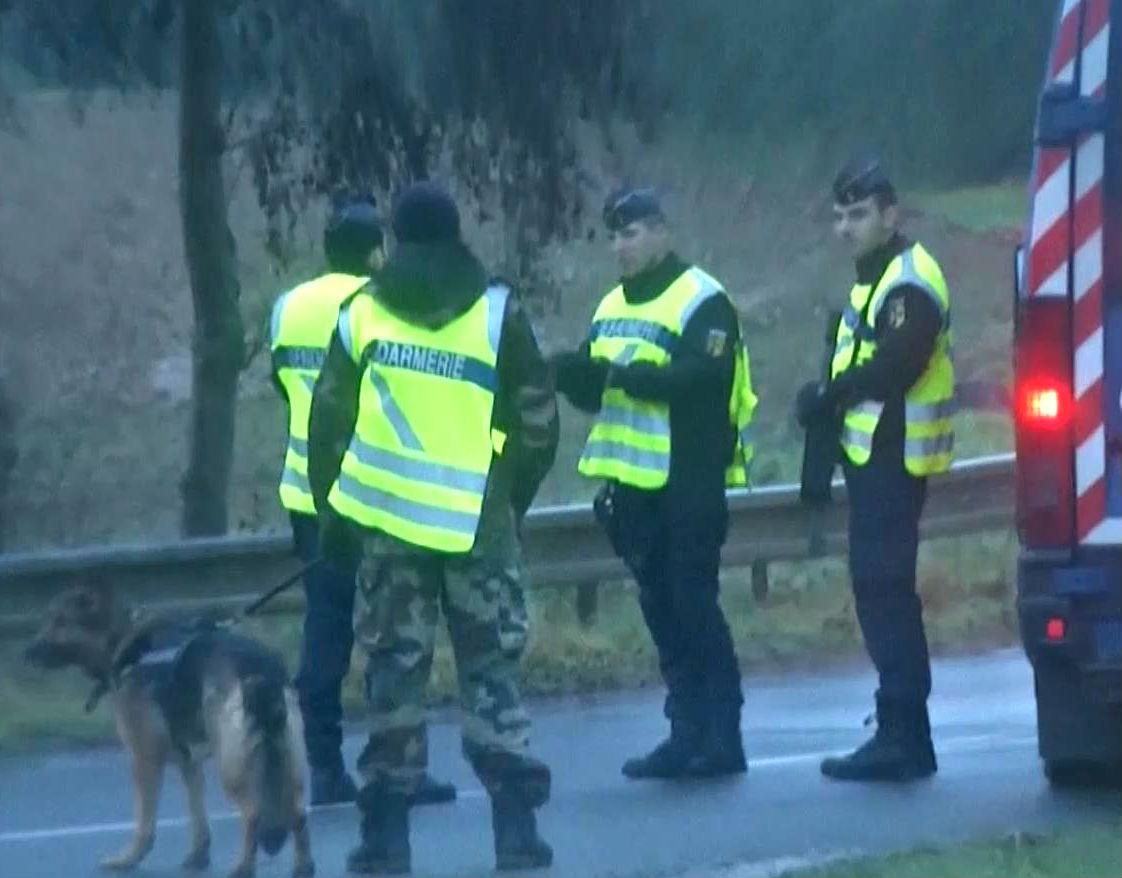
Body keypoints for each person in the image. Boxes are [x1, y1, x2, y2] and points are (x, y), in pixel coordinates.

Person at [307, 181, 559, 874]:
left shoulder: (362, 313)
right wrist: (507, 495)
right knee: (492, 677)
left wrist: (335, 513)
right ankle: (515, 834)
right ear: (456, 237)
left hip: (389, 530)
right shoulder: (498, 313)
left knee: (393, 676)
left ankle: (385, 840)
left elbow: (327, 424)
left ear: (393, 240)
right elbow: (539, 424)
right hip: (479, 528)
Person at [552, 186, 757, 780]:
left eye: (633, 232)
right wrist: (574, 375)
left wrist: (626, 375)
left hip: (689, 478)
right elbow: (600, 389)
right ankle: (683, 731)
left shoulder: (702, 299)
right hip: (634, 486)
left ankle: (723, 735)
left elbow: (705, 375)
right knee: (661, 609)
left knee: (695, 605)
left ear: (663, 232)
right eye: (615, 235)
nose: (622, 245)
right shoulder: (610, 305)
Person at [269, 194, 455, 807]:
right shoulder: (378, 307)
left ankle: (322, 767)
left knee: (324, 632)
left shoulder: (288, 307)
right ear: (378, 250)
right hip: (374, 495)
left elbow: (284, 387)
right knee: (392, 635)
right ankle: (397, 767)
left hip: (308, 496)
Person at [795, 154, 955, 782]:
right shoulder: (875, 279)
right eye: (839, 215)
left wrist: (831, 396)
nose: (846, 227)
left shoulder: (910, 281)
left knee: (886, 594)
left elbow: (898, 364)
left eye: (858, 214)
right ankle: (900, 729)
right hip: (873, 461)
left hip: (897, 458)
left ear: (892, 214)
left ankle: (904, 736)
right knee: (880, 593)